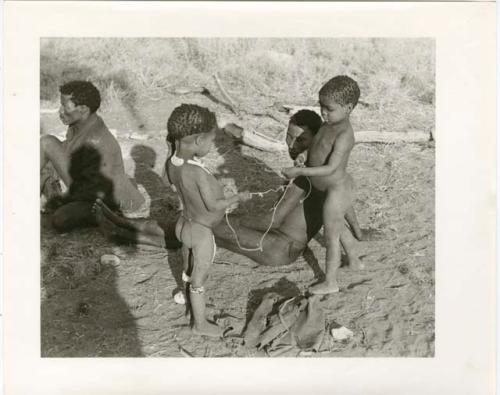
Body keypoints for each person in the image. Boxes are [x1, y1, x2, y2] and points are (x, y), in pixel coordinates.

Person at [94, 108, 365, 269]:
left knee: (200, 224)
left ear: (316, 140)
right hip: (279, 243)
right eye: (289, 136)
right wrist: (360, 234)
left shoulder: (305, 176)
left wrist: (230, 217)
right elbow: (344, 204)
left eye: (301, 139)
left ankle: (125, 229)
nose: (292, 144)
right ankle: (125, 228)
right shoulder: (329, 173)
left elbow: (273, 219)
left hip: (278, 248)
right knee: (201, 226)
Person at [165, 104, 251, 337]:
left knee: (188, 266)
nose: (212, 146)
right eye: (211, 141)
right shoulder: (198, 173)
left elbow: (176, 186)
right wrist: (237, 197)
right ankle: (199, 324)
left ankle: (191, 308)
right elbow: (213, 206)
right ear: (198, 140)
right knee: (199, 278)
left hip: (183, 225)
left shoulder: (173, 161)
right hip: (201, 232)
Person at [282, 75, 360, 295]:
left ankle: (330, 282)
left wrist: (300, 171)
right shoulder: (328, 125)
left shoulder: (345, 135)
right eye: (320, 106)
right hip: (326, 189)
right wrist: (305, 156)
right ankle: (354, 261)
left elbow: (331, 168)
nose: (323, 112)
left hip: (336, 190)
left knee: (331, 236)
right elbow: (319, 149)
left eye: (329, 108)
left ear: (348, 107)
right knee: (338, 227)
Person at [40, 80, 148, 232]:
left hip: (103, 199)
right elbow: (67, 151)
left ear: (83, 109)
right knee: (45, 164)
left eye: (65, 106)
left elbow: (91, 190)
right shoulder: (79, 125)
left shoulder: (97, 138)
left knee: (47, 143)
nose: (60, 111)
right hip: (87, 188)